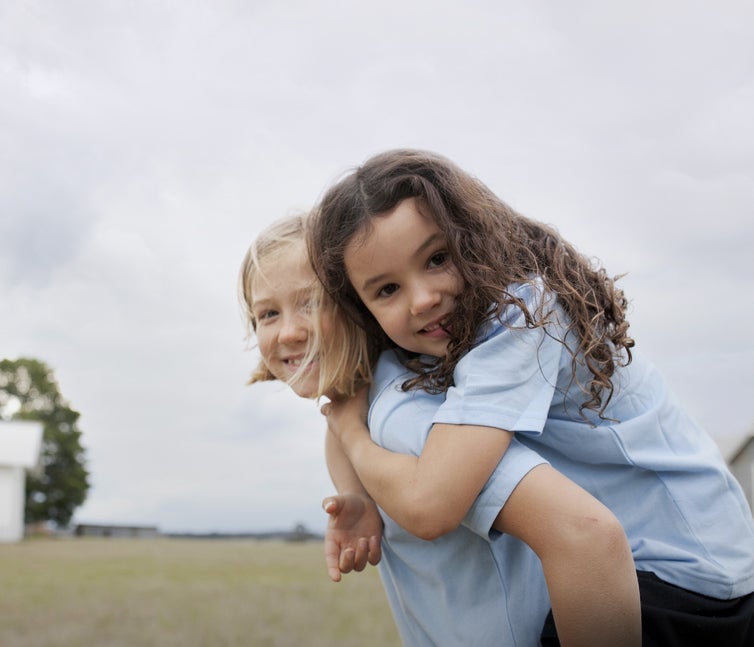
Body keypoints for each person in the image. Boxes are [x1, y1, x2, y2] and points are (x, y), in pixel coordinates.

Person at [308, 148, 754, 646]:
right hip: (698, 558)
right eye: (387, 290)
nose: (423, 297)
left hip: (684, 573)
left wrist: (351, 431)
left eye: (437, 259)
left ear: (474, 237)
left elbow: (432, 504)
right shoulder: (456, 339)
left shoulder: (522, 315)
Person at [239, 214, 641, 646]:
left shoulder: (403, 411)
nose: (288, 332)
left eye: (311, 303)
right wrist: (353, 489)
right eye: (267, 314)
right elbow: (338, 426)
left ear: (357, 304)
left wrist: (350, 434)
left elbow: (585, 534)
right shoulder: (366, 405)